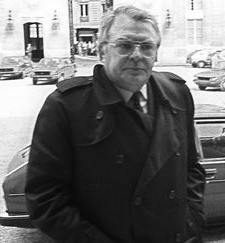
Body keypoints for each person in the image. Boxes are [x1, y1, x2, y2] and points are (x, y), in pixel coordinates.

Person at [25, 5, 205, 243]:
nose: (137, 55)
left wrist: (190, 220)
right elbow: (44, 198)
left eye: (147, 46)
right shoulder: (66, 106)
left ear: (156, 53)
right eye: (125, 45)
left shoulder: (178, 93)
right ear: (102, 51)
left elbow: (192, 167)